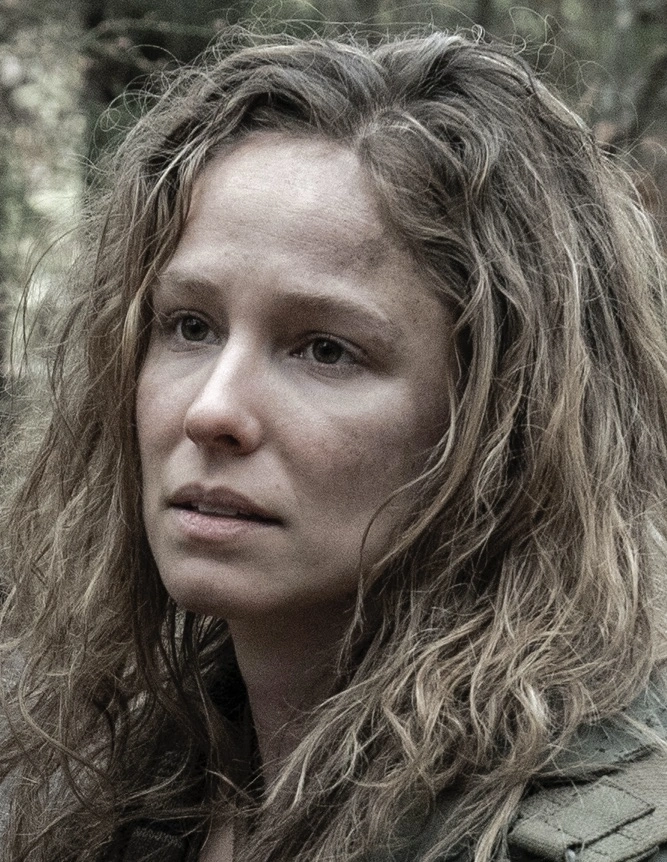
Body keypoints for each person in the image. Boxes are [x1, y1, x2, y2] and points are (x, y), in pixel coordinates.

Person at [1, 27, 667, 862]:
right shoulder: (86, 781)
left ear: (506, 418)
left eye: (325, 349)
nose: (211, 410)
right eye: (190, 326)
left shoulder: (591, 836)